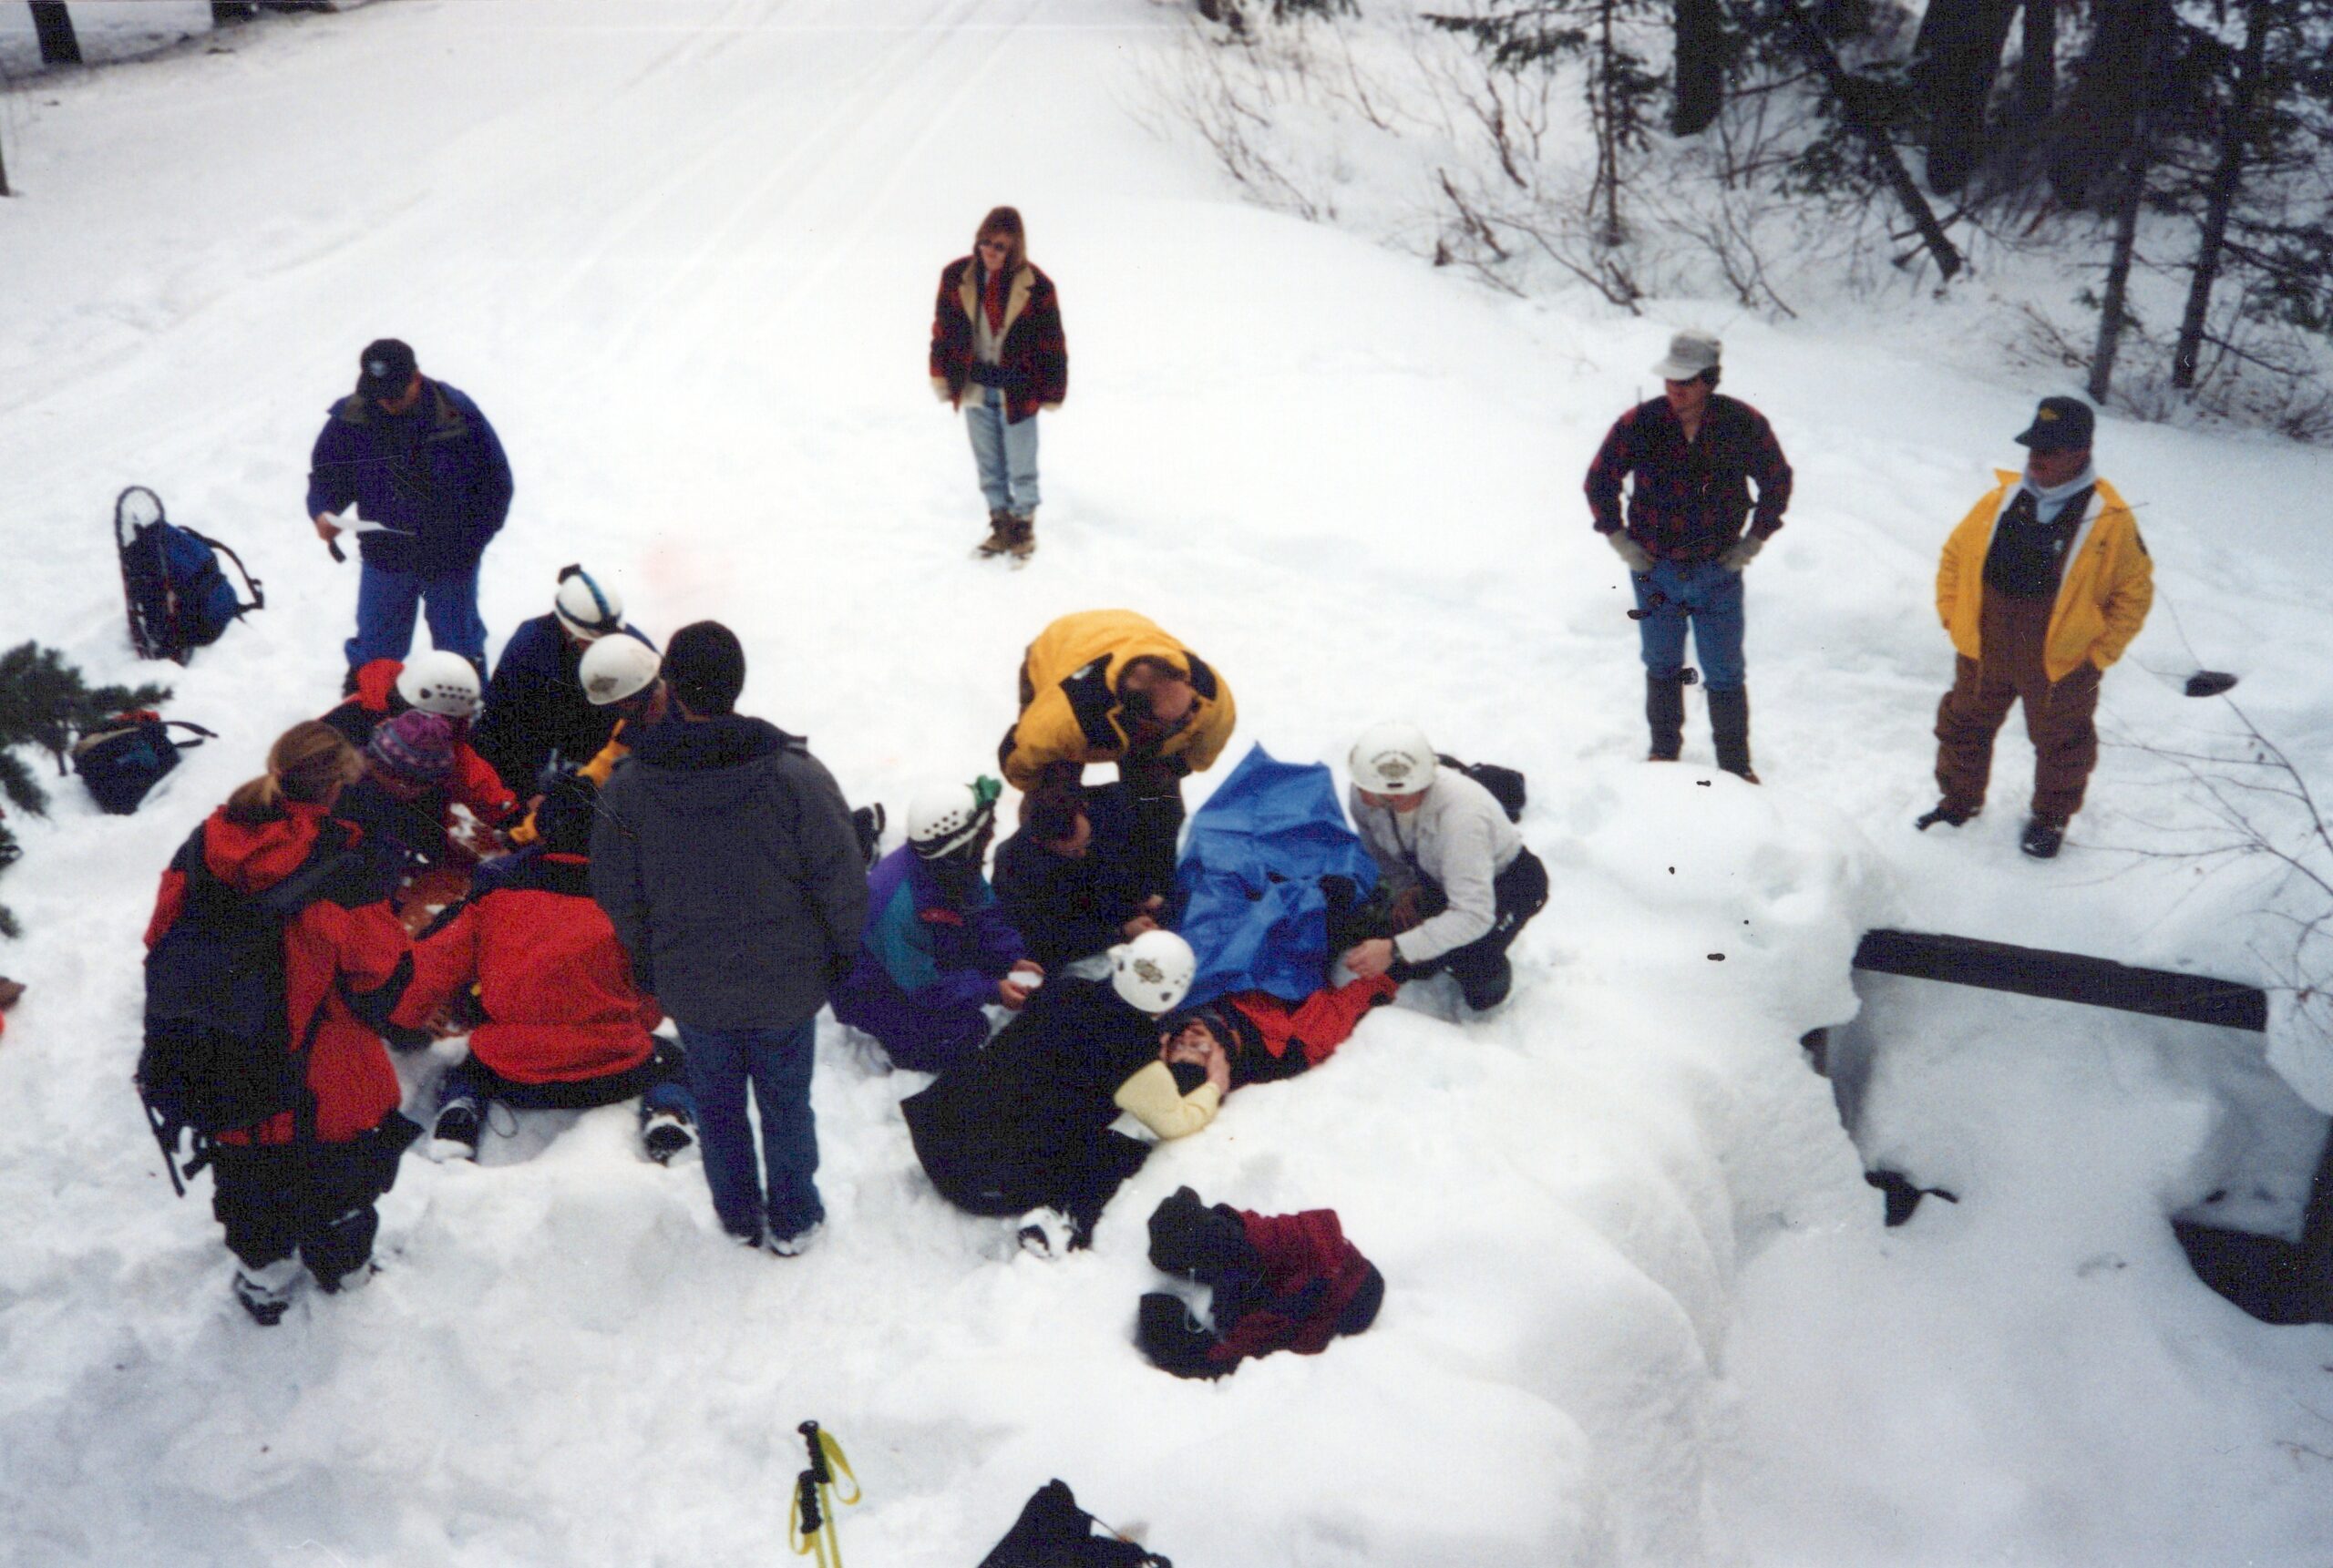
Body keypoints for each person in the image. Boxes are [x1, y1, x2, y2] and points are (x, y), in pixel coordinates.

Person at [591, 620, 868, 1255]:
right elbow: (842, 876)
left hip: (693, 988)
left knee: (716, 1105)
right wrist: (838, 952)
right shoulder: (794, 775)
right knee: (786, 1103)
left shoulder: (630, 786)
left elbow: (615, 890)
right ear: (738, 682)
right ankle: (795, 1216)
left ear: (672, 687)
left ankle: (738, 1213)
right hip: (786, 985)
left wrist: (651, 963)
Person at [141, 723, 418, 1324]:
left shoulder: (203, 845)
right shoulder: (346, 867)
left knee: (250, 1188)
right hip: (325, 1078)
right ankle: (344, 1277)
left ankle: (262, 1278)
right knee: (340, 1188)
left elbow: (159, 936)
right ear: (338, 785)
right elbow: (382, 976)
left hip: (223, 1067)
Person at [392, 777, 697, 1164]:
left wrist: (404, 1021)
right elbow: (665, 982)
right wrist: (640, 1021)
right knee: (671, 1062)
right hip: (613, 1070)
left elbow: (432, 968)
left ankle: (460, 1110)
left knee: (468, 1068)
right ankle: (668, 1116)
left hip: (511, 1071)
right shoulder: (631, 901)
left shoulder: (496, 893)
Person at [1919, 395, 2154, 859]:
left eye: (2050, 450)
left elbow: (2134, 592)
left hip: (2059, 662)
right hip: (1985, 648)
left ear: (2081, 453)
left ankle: (2050, 819)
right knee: (1962, 726)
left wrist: (2098, 653)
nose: (2036, 459)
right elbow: (1954, 556)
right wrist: (1954, 617)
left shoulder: (2109, 518)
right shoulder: (2000, 499)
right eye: (2032, 448)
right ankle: (1958, 803)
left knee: (2062, 745)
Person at [899, 930, 1202, 1257]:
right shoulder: (1136, 1057)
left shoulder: (1067, 989)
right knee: (1125, 1142)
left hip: (935, 1137)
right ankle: (1064, 1220)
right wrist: (1211, 1078)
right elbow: (1177, 1123)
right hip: (979, 1184)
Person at [1585, 330, 1793, 781]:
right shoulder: (1640, 423)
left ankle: (1736, 767)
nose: (1674, 389)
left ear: (1709, 380)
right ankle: (1663, 752)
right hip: (1654, 570)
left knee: (1724, 670)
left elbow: (1778, 480)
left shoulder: (1743, 423)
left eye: (1686, 381)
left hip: (1718, 570)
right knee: (1661, 663)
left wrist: (1754, 540)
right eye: (1670, 380)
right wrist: (1619, 539)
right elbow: (1599, 480)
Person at [306, 338, 514, 679]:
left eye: (395, 395)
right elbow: (328, 477)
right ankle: (368, 713)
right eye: (379, 396)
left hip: (450, 556)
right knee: (375, 653)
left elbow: (496, 485)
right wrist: (323, 511)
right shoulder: (352, 417)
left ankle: (465, 720)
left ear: (416, 378)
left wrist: (469, 545)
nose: (387, 404)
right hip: (385, 553)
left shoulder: (456, 414)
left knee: (459, 651)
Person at [998, 609, 1238, 898]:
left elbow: (1197, 759)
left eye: (1190, 707)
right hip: (1059, 648)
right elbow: (1020, 763)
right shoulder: (1066, 716)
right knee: (1053, 804)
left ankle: (1155, 885)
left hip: (1127, 636)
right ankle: (1052, 887)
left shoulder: (1210, 698)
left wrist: (1157, 774)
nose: (1190, 719)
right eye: (1175, 720)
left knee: (1158, 798)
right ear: (1138, 716)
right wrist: (1058, 799)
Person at [829, 777, 1042, 1074]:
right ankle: (903, 1045)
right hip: (873, 991)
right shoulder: (899, 905)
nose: (993, 832)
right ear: (957, 844)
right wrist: (992, 989)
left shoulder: (956, 866)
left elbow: (985, 913)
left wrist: (1012, 957)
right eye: (984, 831)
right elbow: (924, 987)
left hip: (918, 958)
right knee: (963, 1034)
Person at [1338, 723, 1548, 1012]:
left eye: (1366, 788)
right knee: (1406, 942)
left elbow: (1474, 914)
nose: (1357, 792)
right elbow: (1378, 849)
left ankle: (1488, 966)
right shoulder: (1366, 795)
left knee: (1471, 966)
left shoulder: (1461, 819)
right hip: (1436, 875)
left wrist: (1395, 948)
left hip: (1509, 882)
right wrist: (1405, 889)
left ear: (1397, 795)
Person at [929, 206, 1068, 559]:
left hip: (1017, 388)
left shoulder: (1036, 286)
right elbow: (942, 331)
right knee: (988, 462)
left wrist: (1052, 389)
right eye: (985, 243)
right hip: (975, 383)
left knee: (1021, 460)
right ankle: (1000, 522)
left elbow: (1053, 343)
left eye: (1000, 246)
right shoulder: (957, 277)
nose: (990, 252)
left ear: (1016, 248)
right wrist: (941, 374)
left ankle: (1023, 524)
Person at [471, 564, 655, 793]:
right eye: (591, 643)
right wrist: (525, 793)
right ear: (566, 629)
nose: (603, 650)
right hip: (541, 747)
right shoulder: (529, 647)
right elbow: (496, 727)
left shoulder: (635, 648)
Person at [321, 650, 518, 832]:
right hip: (341, 815)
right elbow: (305, 768)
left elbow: (473, 777)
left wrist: (510, 814)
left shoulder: (436, 736)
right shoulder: (349, 720)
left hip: (398, 820)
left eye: (450, 719)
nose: (438, 724)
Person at [992, 784, 1160, 976]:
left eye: (1086, 842)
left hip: (1101, 924)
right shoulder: (1014, 870)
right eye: (1073, 850)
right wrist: (1120, 932)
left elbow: (1109, 869)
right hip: (1065, 955)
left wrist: (1139, 897)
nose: (1083, 853)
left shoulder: (1091, 819)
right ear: (1042, 842)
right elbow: (1049, 941)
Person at [1155, 973, 1398, 1094]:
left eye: (1177, 1046)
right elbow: (1351, 1003)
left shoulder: (1174, 1008)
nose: (1188, 1038)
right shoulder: (1285, 1051)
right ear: (1219, 1065)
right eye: (1199, 1049)